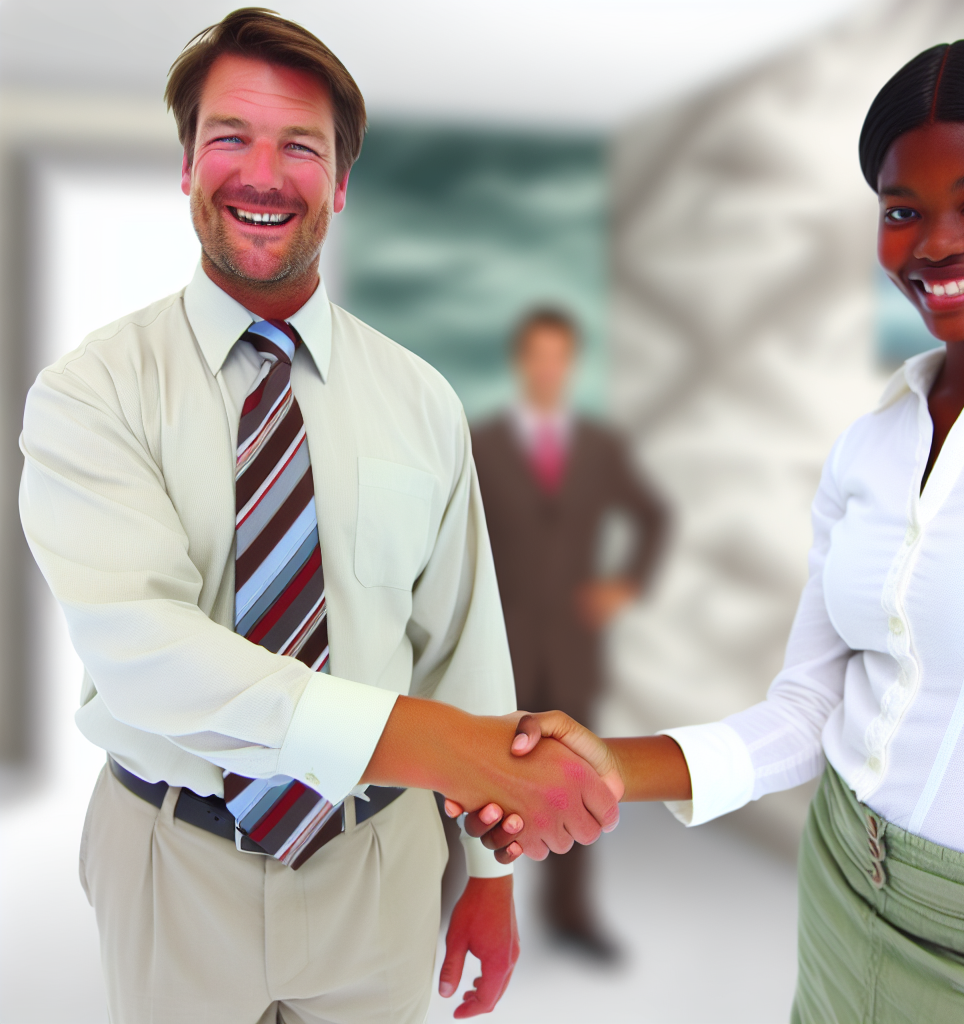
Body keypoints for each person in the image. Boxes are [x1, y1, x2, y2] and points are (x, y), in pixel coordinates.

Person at [18, 10, 619, 1023]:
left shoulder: (420, 397)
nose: (261, 174)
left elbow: (463, 641)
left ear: (339, 185)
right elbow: (143, 650)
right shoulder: (92, 394)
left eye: (300, 146)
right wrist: (427, 742)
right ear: (186, 167)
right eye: (229, 139)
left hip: (378, 866)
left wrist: (487, 870)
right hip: (174, 861)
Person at [459, 37, 964, 1023]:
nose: (932, 244)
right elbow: (809, 707)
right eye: (901, 211)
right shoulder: (871, 445)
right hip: (843, 882)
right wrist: (609, 764)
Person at [470, 308, 665, 959]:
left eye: (560, 357)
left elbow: (651, 514)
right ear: (522, 363)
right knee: (472, 775)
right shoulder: (480, 443)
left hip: (574, 647)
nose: (548, 369)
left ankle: (570, 913)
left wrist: (623, 583)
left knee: (577, 778)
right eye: (538, 356)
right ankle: (449, 899)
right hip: (498, 644)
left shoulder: (600, 448)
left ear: (570, 365)